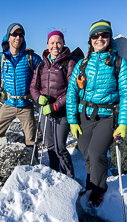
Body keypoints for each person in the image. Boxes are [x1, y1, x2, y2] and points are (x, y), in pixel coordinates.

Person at [66, 19, 127, 207]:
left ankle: (99, 189)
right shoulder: (82, 64)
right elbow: (72, 92)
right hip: (84, 116)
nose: (99, 38)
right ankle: (91, 182)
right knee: (87, 155)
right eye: (95, 35)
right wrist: (72, 120)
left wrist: (122, 124)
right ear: (90, 40)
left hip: (106, 117)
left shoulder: (118, 63)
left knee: (97, 154)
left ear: (110, 37)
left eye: (104, 35)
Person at [30, 30, 76, 179]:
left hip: (61, 112)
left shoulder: (69, 63)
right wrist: (38, 99)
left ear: (63, 44)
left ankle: (69, 178)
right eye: (52, 42)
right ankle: (55, 174)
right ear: (47, 44)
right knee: (50, 146)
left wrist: (55, 106)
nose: (55, 45)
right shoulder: (42, 65)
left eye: (58, 42)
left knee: (60, 147)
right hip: (45, 111)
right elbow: (33, 87)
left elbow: (72, 90)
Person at [0, 23, 42, 147]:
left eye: (21, 35)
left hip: (26, 104)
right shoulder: (1, 58)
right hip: (8, 103)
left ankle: (33, 163)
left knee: (30, 139)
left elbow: (44, 72)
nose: (18, 37)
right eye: (14, 34)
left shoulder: (30, 57)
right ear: (8, 37)